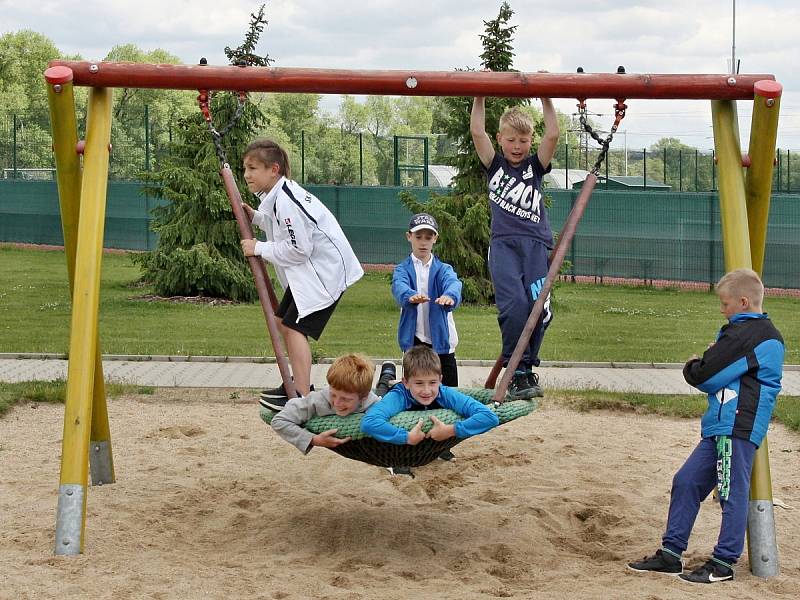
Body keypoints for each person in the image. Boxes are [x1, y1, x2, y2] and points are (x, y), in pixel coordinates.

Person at [627, 268, 784, 584]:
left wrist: (695, 364)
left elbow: (706, 375)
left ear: (742, 302)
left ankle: (724, 562)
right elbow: (722, 370)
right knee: (686, 481)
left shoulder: (755, 335)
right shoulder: (740, 333)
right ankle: (671, 554)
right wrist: (714, 360)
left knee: (730, 490)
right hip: (720, 425)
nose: (722, 310)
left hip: (737, 425)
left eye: (725, 304)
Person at [239, 139, 364, 410]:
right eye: (245, 168)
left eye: (253, 168)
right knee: (284, 323)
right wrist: (257, 219)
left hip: (324, 275)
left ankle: (301, 395)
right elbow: (285, 228)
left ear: (273, 170)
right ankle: (297, 386)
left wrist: (259, 247)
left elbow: (299, 248)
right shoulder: (278, 196)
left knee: (294, 326)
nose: (247, 175)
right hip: (313, 274)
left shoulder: (285, 201)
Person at [470, 95, 559, 400]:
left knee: (540, 311)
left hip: (535, 246)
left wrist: (547, 97)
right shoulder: (494, 166)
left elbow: (553, 135)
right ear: (500, 139)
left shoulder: (536, 167)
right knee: (515, 306)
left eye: (523, 140)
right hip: (504, 246)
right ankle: (516, 368)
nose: (517, 146)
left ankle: (527, 368)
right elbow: (477, 133)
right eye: (511, 140)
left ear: (530, 140)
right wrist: (479, 96)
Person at [360, 345, 499, 446]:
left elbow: (489, 417)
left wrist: (451, 430)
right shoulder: (399, 396)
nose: (427, 390)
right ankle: (387, 372)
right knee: (381, 391)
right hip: (393, 393)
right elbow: (369, 422)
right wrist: (406, 437)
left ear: (440, 380)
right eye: (419, 383)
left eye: (433, 382)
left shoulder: (444, 393)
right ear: (406, 383)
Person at [391, 212, 462, 387]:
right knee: (413, 390)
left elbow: (454, 284)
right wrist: (409, 295)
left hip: (442, 341)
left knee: (449, 391)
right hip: (414, 340)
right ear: (409, 237)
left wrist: (449, 296)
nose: (423, 242)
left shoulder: (444, 269)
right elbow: (399, 286)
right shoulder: (402, 269)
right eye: (418, 237)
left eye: (428, 237)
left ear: (435, 239)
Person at [270, 353, 380, 454]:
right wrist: (313, 439)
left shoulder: (373, 402)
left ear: (363, 398)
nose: (337, 403)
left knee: (384, 389)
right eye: (333, 395)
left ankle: (386, 373)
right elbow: (279, 421)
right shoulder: (318, 400)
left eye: (345, 399)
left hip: (363, 446)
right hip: (299, 405)